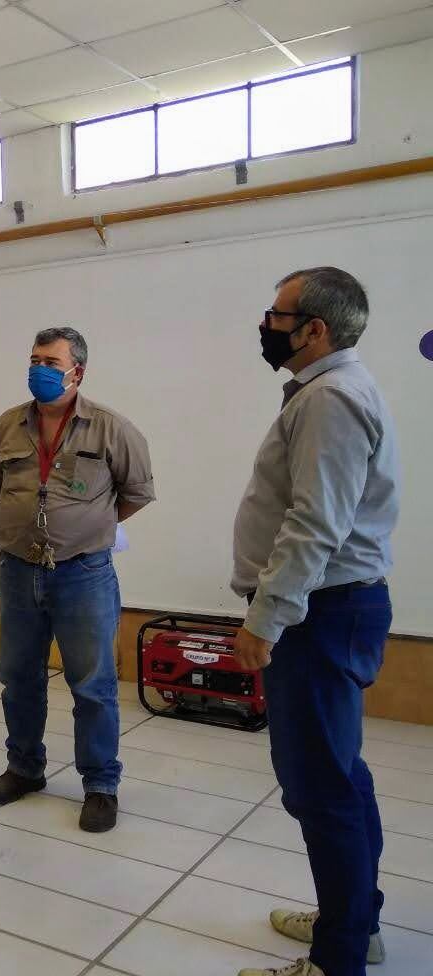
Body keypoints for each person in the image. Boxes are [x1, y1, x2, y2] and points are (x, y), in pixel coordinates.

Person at [233, 268, 399, 976]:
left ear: (315, 330)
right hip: (332, 608)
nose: (267, 324)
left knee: (320, 788)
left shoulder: (329, 398)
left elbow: (314, 524)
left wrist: (266, 619)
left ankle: (338, 959)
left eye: (277, 313)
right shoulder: (332, 390)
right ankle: (354, 922)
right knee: (340, 777)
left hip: (317, 615)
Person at [0, 327, 154, 833]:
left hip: (84, 573)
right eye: (34, 358)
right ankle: (24, 767)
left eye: (51, 362)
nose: (39, 368)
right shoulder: (7, 425)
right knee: (18, 677)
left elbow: (136, 493)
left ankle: (101, 784)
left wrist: (87, 526)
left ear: (77, 371)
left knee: (93, 685)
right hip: (17, 568)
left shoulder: (111, 429)